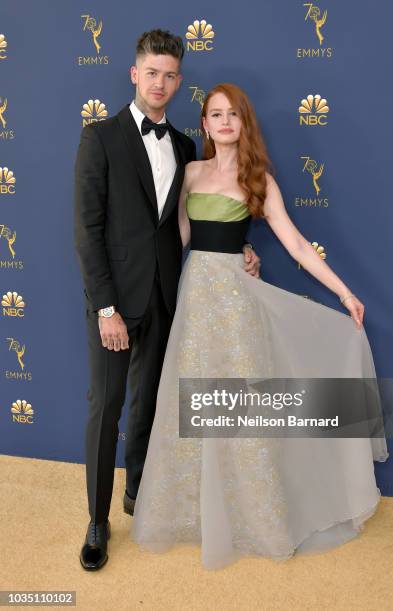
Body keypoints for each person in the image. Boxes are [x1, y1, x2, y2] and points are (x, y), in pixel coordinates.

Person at [130, 83, 389, 570]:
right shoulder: (189, 174)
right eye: (215, 114)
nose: (225, 122)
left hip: (237, 306)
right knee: (193, 403)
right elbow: (176, 241)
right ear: (203, 125)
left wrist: (345, 293)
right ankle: (196, 513)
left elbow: (296, 245)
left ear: (244, 123)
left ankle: (255, 519)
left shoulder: (259, 179)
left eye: (233, 114)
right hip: (195, 302)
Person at [74, 33, 260, 571]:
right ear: (135, 75)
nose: (160, 83)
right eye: (151, 72)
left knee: (149, 408)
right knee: (106, 410)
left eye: (170, 75)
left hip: (166, 297)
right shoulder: (100, 137)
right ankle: (97, 520)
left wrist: (239, 244)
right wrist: (105, 309)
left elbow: (198, 219)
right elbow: (87, 231)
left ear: (180, 82)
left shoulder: (183, 146)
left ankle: (139, 494)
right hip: (114, 304)